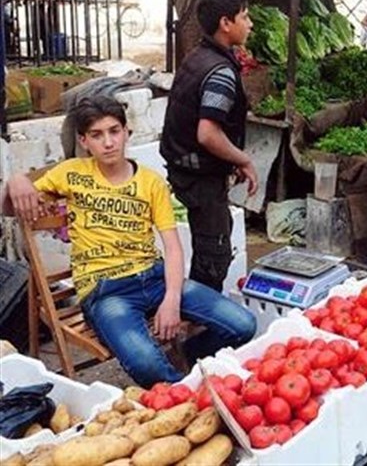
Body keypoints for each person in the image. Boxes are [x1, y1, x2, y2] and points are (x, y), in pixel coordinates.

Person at [2, 96, 256, 387]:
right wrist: (15, 181)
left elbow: (172, 247)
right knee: (146, 366)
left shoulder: (151, 182)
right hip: (106, 291)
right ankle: (184, 392)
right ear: (84, 141)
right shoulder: (70, 173)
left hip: (156, 278)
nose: (108, 142)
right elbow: (8, 208)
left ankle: (186, 356)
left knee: (243, 325)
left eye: (114, 131)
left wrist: (171, 299)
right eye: (97, 135)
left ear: (126, 133)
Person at [160, 0, 257, 292]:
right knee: (213, 257)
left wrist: (230, 160)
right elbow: (208, 133)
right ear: (226, 23)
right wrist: (243, 158)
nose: (250, 23)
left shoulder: (197, 56)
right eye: (245, 16)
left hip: (184, 165)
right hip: (199, 175)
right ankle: (198, 324)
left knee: (214, 241)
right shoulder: (220, 72)